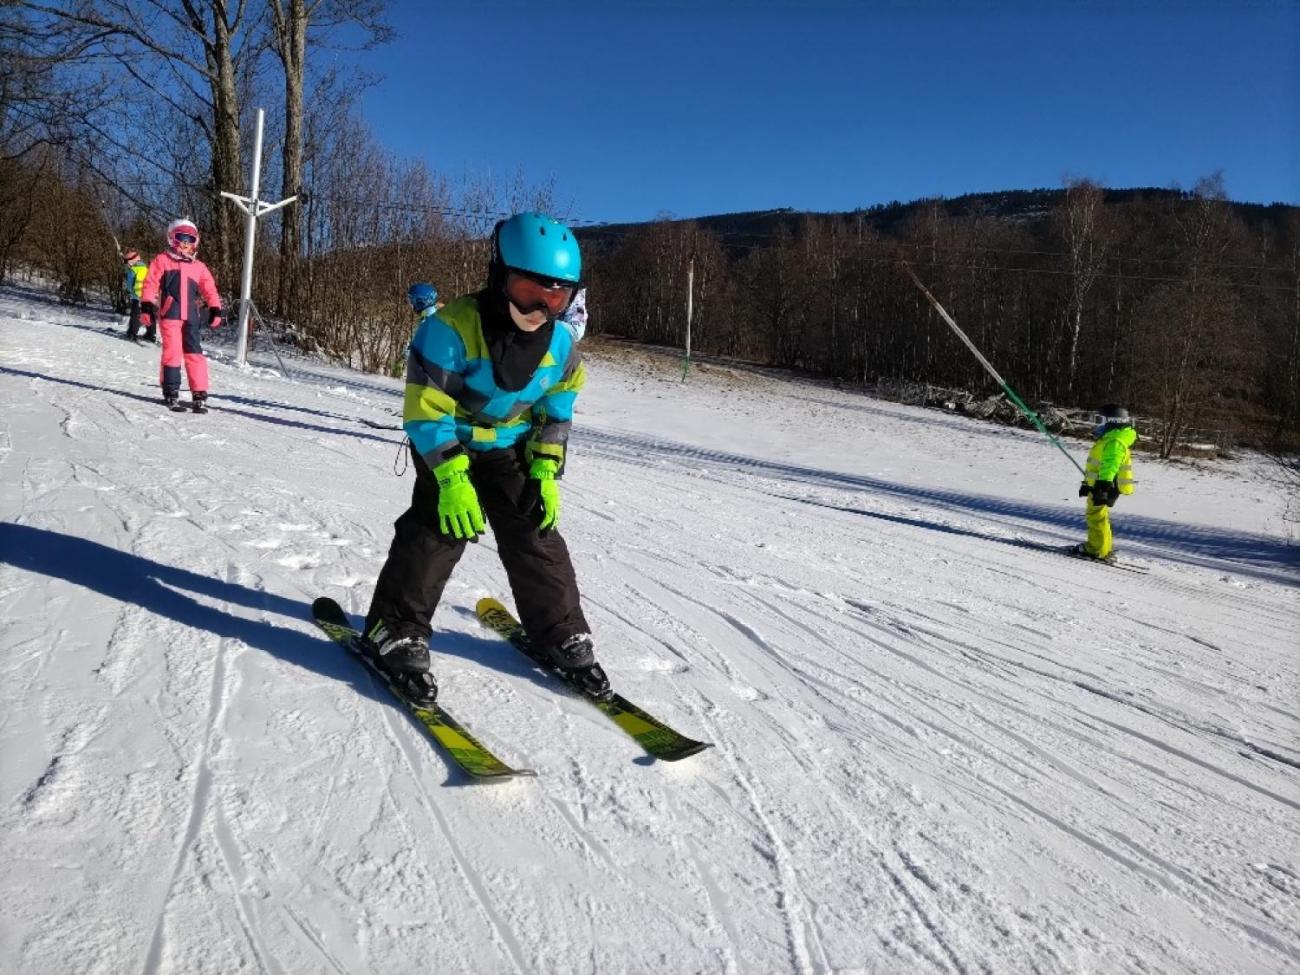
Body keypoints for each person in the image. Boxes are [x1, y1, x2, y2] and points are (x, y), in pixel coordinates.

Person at [362, 212, 604, 705]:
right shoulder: (451, 329)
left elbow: (556, 410)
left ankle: (559, 632)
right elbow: (427, 411)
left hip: (508, 446)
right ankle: (395, 630)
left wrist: (544, 468)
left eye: (555, 296)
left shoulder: (561, 347)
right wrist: (451, 479)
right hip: (448, 445)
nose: (540, 306)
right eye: (528, 289)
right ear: (500, 276)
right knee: (437, 529)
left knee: (534, 530)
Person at [140, 219, 224, 411]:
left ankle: (199, 392)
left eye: (189, 239)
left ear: (195, 242)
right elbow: (150, 283)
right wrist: (146, 306)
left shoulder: (199, 267)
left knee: (195, 353)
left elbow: (209, 288)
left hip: (192, 317)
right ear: (172, 239)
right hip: (171, 314)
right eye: (180, 238)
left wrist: (215, 308)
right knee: (173, 352)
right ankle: (171, 390)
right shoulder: (163, 260)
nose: (185, 243)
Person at [1074, 404, 1137, 563]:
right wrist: (1087, 484)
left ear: (1113, 421)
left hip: (1106, 486)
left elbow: (1110, 464)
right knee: (1099, 515)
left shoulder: (1114, 441)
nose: (1097, 424)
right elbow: (1098, 465)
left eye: (1100, 420)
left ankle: (1096, 549)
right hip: (1100, 484)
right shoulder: (1111, 438)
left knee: (1095, 516)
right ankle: (1103, 547)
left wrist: (1102, 486)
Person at [121, 249, 150, 341]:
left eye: (127, 261)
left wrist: (130, 291)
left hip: (137, 296)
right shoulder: (146, 268)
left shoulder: (133, 270)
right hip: (148, 297)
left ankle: (132, 333)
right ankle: (151, 334)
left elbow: (129, 284)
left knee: (135, 315)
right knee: (148, 314)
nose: (127, 264)